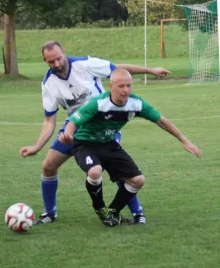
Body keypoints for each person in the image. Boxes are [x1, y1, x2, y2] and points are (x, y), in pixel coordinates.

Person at [19, 41, 171, 225]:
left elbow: (117, 69)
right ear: (44, 60)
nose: (57, 64)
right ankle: (50, 213)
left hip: (104, 123)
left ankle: (137, 212)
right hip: (75, 127)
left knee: (118, 170)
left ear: (64, 52)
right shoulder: (48, 83)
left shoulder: (85, 65)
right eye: (51, 62)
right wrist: (37, 146)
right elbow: (49, 121)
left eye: (59, 58)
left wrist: (151, 70)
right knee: (48, 166)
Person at [58, 68, 201, 227]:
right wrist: (67, 134)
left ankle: (113, 211)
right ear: (111, 86)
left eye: (128, 85)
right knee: (95, 171)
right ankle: (100, 208)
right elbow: (74, 121)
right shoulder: (98, 103)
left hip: (109, 144)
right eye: (121, 86)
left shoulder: (136, 103)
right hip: (85, 144)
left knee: (138, 180)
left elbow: (161, 120)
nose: (125, 90)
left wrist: (184, 140)